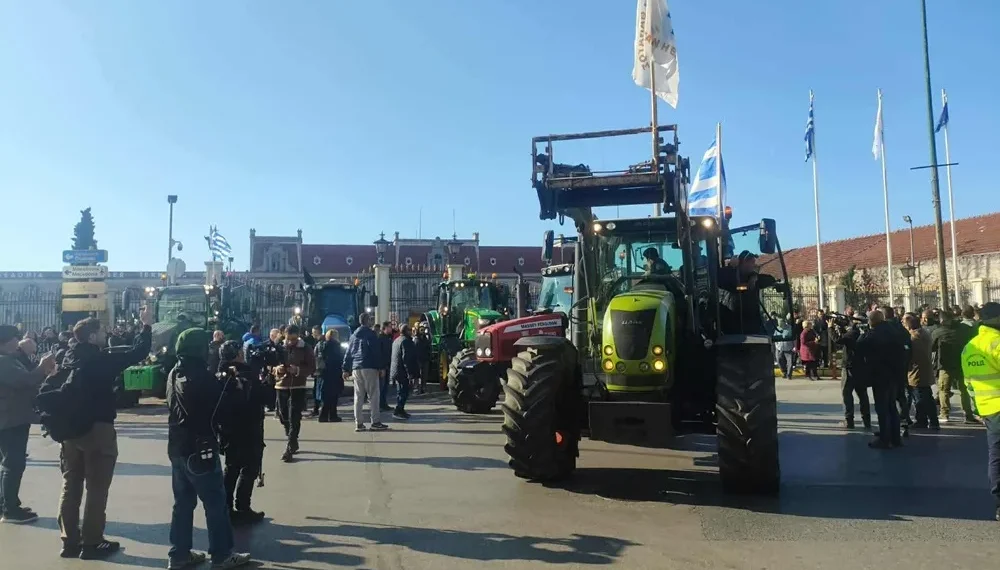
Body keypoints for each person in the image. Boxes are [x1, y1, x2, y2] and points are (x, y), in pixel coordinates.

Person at [56, 310, 152, 560]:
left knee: (71, 484)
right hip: (97, 428)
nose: (105, 334)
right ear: (91, 336)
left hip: (69, 431)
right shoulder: (100, 360)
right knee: (97, 487)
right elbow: (137, 353)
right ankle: (92, 542)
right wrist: (145, 326)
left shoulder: (67, 357)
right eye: (101, 332)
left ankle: (69, 541)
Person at [166, 328, 251, 569]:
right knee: (215, 502)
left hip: (177, 446)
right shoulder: (202, 377)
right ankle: (222, 554)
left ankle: (179, 553)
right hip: (200, 447)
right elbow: (223, 411)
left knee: (182, 503)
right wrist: (232, 386)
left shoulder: (174, 372)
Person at [0, 325, 56, 524]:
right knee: (13, 465)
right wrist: (42, 366)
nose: (19, 342)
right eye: (15, 338)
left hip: (10, 418)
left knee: (8, 464)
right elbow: (26, 380)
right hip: (10, 420)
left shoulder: (8, 361)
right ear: (8, 341)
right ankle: (10, 509)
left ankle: (6, 504)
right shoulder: (4, 362)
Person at [216, 341, 266, 526]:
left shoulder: (219, 374)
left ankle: (227, 507)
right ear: (237, 354)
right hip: (249, 426)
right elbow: (261, 398)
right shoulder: (246, 373)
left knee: (231, 468)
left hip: (228, 430)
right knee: (250, 467)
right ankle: (243, 506)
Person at [960, 302, 1000, 522]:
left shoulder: (970, 347)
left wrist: (977, 408)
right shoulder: (997, 343)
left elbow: (968, 384)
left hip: (988, 409)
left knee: (996, 457)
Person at [857, 310, 905, 449]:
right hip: (895, 374)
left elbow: (860, 346)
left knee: (882, 408)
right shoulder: (894, 331)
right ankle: (895, 438)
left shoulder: (873, 334)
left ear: (871, 321)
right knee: (892, 407)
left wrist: (863, 333)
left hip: (880, 375)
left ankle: (884, 439)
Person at [717, 251, 786, 335]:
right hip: (732, 327)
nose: (753, 265)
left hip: (752, 327)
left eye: (753, 262)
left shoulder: (752, 278)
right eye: (750, 262)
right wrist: (730, 266)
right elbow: (718, 278)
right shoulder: (730, 275)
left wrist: (755, 276)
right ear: (741, 263)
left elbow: (769, 279)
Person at [273, 325, 314, 462]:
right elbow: (270, 364)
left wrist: (297, 370)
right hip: (281, 386)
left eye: (294, 339)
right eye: (288, 339)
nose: (291, 342)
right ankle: (290, 433)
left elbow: (311, 367)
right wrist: (277, 369)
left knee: (294, 415)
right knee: (283, 414)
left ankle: (290, 445)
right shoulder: (279, 346)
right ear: (284, 336)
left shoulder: (305, 348)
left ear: (298, 336)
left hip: (298, 386)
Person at [344, 313, 388, 432]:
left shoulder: (353, 336)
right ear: (367, 321)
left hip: (356, 368)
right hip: (369, 366)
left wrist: (345, 369)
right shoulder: (371, 334)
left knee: (358, 396)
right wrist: (381, 367)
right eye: (370, 319)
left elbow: (348, 353)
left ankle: (359, 423)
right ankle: (375, 422)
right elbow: (376, 352)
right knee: (373, 395)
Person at [933, 309, 977, 424]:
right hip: (962, 363)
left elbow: (932, 347)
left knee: (944, 390)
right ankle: (968, 414)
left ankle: (944, 413)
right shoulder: (965, 329)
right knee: (964, 390)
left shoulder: (939, 331)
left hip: (945, 365)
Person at [835, 316, 871, 431]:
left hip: (849, 368)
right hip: (862, 368)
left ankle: (849, 419)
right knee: (863, 395)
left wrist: (831, 328)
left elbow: (838, 340)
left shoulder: (851, 334)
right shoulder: (866, 334)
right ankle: (866, 420)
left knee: (847, 394)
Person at [905, 313, 938, 430]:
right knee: (927, 397)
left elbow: (912, 356)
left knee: (920, 398)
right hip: (925, 370)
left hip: (916, 372)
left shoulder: (914, 337)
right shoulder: (924, 333)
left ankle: (921, 420)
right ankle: (934, 421)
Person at [390, 324, 420, 420]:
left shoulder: (396, 340)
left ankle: (400, 410)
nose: (411, 331)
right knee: (404, 392)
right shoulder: (406, 341)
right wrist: (410, 374)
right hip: (402, 371)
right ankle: (398, 410)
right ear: (406, 331)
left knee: (400, 391)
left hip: (396, 370)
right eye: (410, 330)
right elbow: (407, 359)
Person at [318, 330, 344, 422]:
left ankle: (324, 415)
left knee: (326, 395)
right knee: (333, 395)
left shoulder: (323, 345)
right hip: (334, 373)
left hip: (325, 373)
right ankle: (332, 415)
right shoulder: (336, 346)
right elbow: (339, 359)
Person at [377, 322, 394, 412]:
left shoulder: (388, 338)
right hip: (382, 367)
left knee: (385, 387)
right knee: (381, 387)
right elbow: (379, 354)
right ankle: (379, 405)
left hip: (387, 365)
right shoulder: (380, 338)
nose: (391, 329)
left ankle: (384, 404)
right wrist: (381, 367)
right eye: (390, 327)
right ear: (385, 328)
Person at [414, 324, 431, 395]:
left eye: (423, 330)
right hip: (418, 359)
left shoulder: (426, 339)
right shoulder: (416, 339)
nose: (422, 331)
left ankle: (423, 387)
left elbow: (429, 347)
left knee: (424, 375)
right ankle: (416, 388)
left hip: (425, 359)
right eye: (421, 330)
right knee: (417, 374)